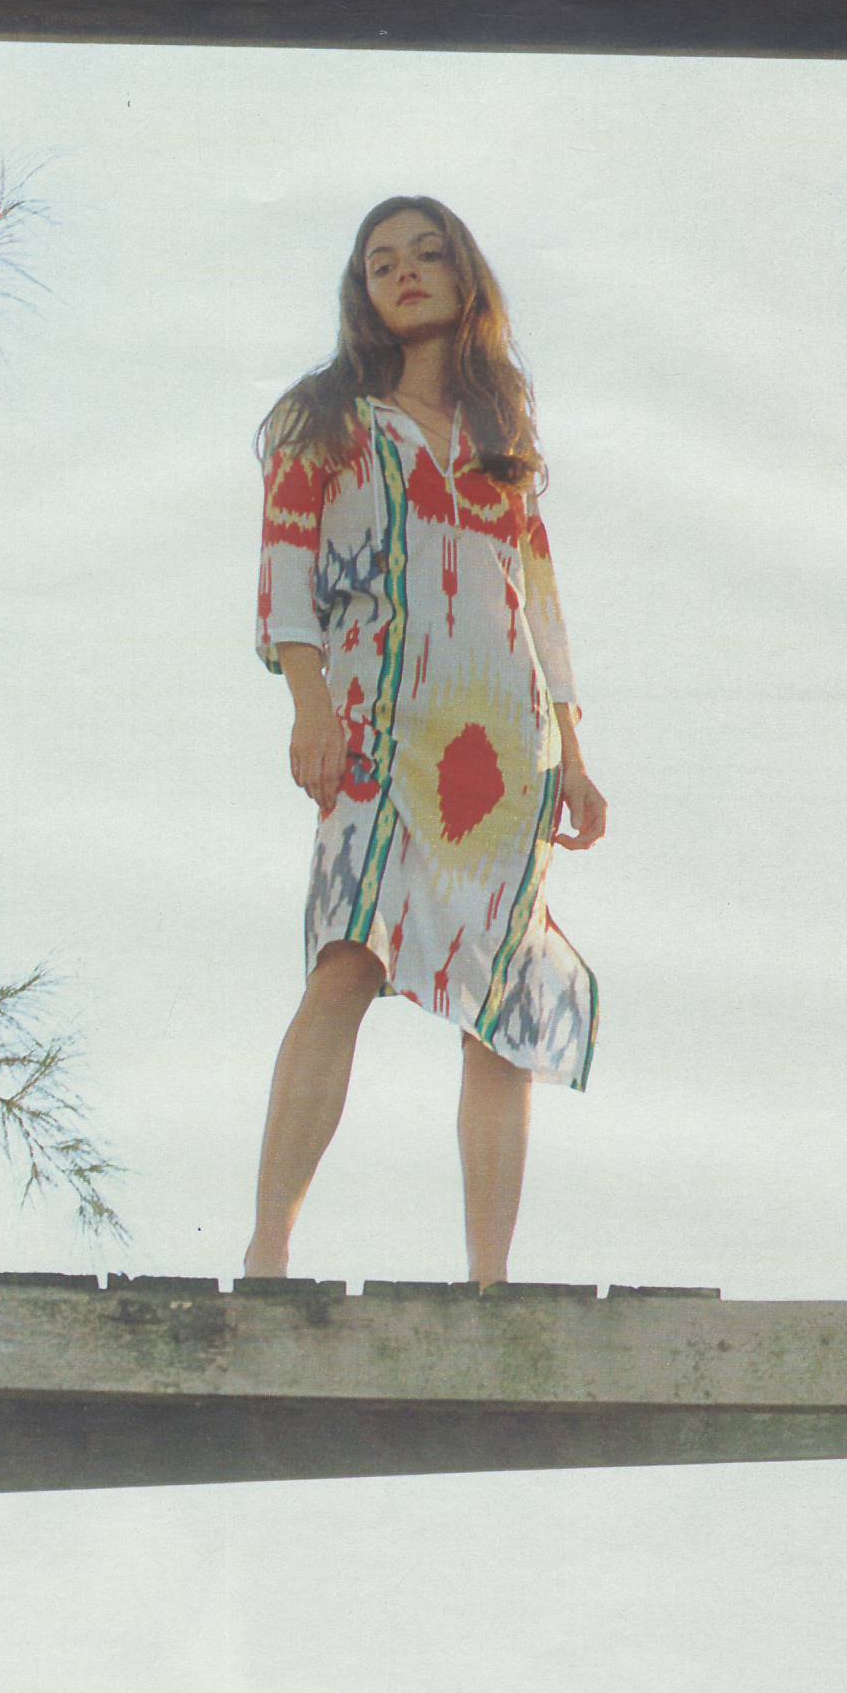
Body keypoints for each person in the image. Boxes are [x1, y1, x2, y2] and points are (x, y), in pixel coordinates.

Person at [245, 194, 606, 1286]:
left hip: (503, 745)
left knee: (501, 1007)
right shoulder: (328, 421)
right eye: (380, 263)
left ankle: (491, 1281)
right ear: (363, 292)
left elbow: (538, 603)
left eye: (425, 254)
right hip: (373, 721)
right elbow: (286, 568)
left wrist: (574, 754)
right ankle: (269, 1248)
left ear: (463, 276)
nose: (403, 273)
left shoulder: (504, 450)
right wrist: (308, 703)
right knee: (347, 954)